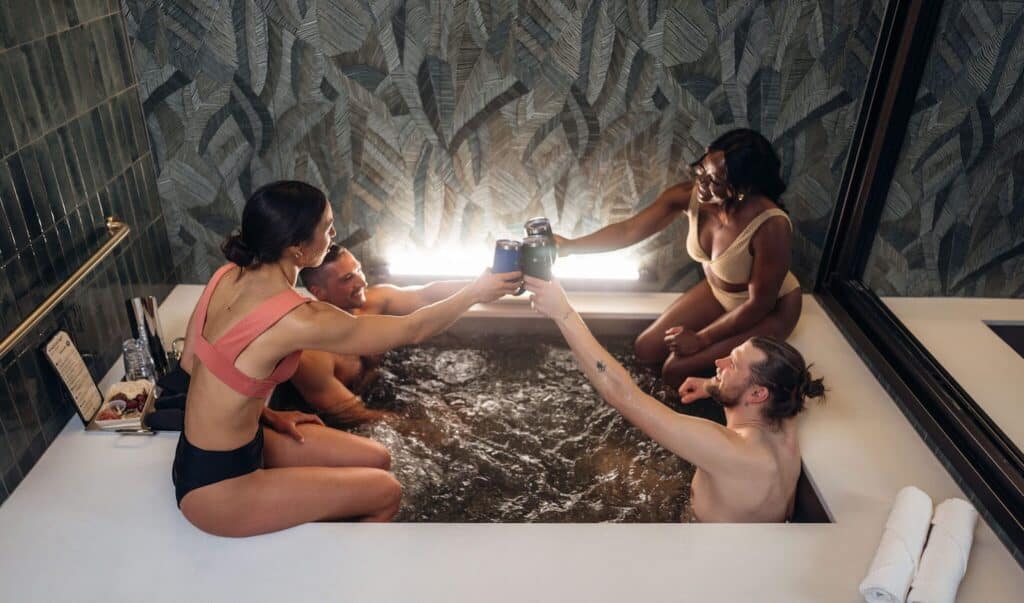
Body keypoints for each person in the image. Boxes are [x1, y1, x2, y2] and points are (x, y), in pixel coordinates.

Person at [173, 180, 521, 536]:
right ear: (297, 248)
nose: (334, 234)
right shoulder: (298, 318)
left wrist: (263, 413)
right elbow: (412, 330)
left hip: (215, 451)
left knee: (378, 457)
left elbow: (192, 366)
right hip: (219, 488)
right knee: (386, 491)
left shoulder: (225, 276)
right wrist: (476, 292)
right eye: (327, 227)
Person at [525, 275, 824, 522]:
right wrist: (711, 385)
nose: (718, 362)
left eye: (732, 364)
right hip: (745, 538)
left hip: (703, 555)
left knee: (606, 468)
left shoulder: (730, 450)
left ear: (758, 394)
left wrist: (563, 312)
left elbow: (620, 393)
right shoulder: (785, 422)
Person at [553, 129, 802, 388]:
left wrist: (702, 339)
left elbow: (759, 305)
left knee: (675, 370)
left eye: (715, 181)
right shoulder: (689, 196)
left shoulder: (771, 225)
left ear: (742, 188)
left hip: (769, 312)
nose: (702, 184)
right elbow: (629, 230)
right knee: (646, 349)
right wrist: (570, 247)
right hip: (720, 294)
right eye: (701, 170)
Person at [285, 244, 470, 425]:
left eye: (359, 269)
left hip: (385, 385)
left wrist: (481, 285)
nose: (362, 282)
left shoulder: (374, 302)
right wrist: (416, 427)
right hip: (356, 420)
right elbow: (352, 414)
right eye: (348, 278)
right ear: (320, 292)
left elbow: (427, 295)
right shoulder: (312, 353)